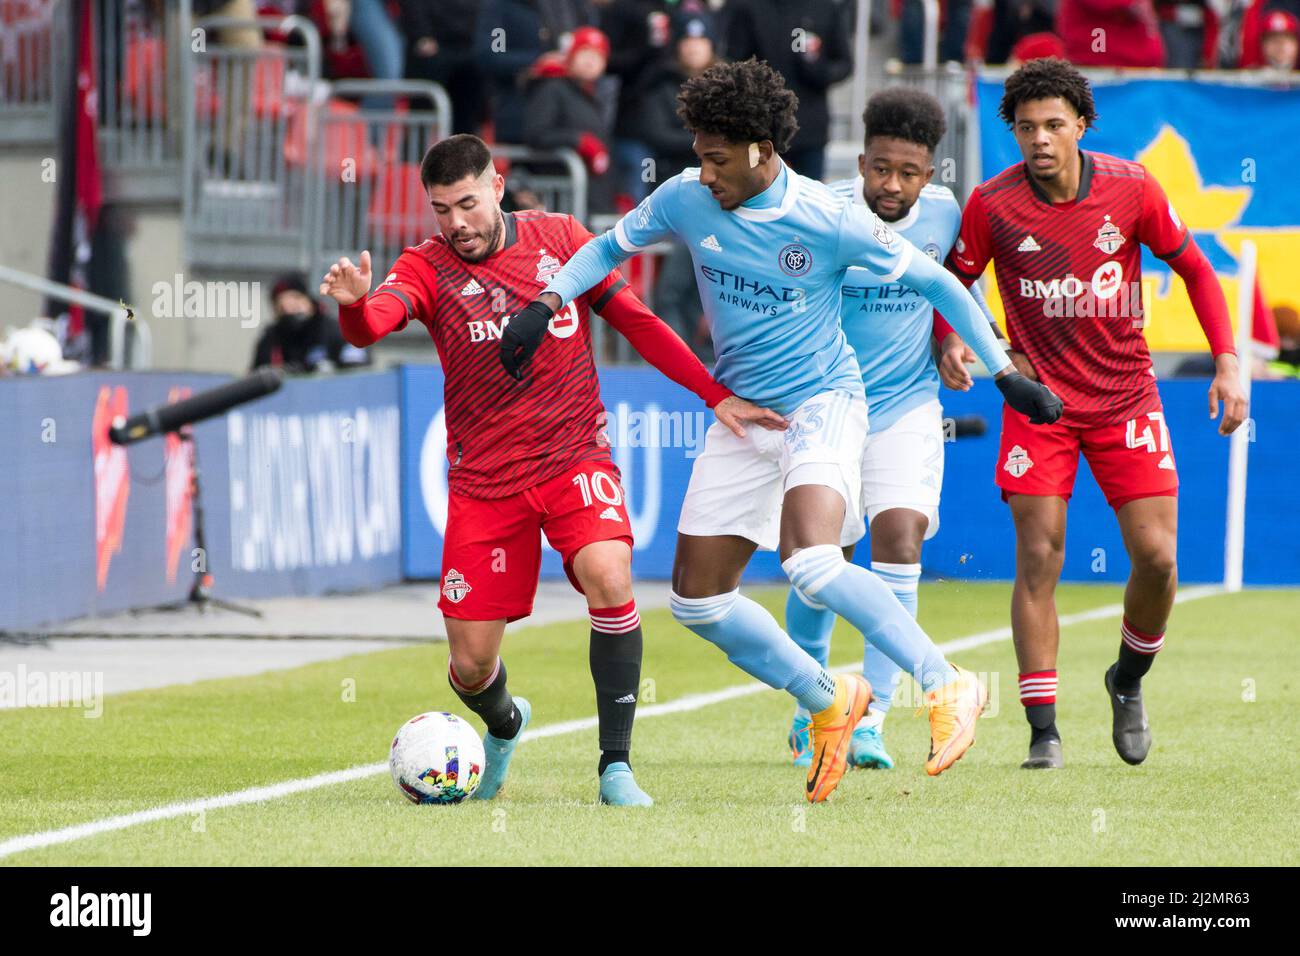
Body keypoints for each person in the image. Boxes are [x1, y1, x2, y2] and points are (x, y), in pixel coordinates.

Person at [503, 60, 1064, 802]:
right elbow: (608, 249)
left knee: (812, 562)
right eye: (699, 156)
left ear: (763, 149)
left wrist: (1001, 371)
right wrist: (544, 303)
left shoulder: (828, 218)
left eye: (717, 159)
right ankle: (829, 699)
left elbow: (934, 281)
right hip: (744, 416)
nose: (704, 174)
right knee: (698, 602)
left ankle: (947, 682)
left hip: (826, 404)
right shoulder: (685, 197)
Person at [319, 134, 782, 806]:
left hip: (573, 458)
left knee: (608, 574)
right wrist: (356, 304)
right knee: (472, 665)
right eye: (441, 209)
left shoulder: (562, 239)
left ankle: (615, 767)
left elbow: (637, 320)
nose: (456, 223)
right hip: (484, 484)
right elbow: (373, 326)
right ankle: (505, 724)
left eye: (468, 204)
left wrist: (714, 393)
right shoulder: (426, 267)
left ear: (498, 187)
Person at [945, 58, 1247, 769]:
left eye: (1054, 125)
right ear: (1013, 133)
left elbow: (1198, 270)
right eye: (1026, 128)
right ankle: (1043, 732)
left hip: (1126, 398)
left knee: (1158, 558)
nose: (1040, 139)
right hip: (1041, 403)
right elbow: (951, 284)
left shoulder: (1131, 188)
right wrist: (951, 341)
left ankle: (1128, 679)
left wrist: (1229, 361)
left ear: (1082, 125)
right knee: (1040, 556)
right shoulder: (991, 205)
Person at [783, 88, 1002, 772]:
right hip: (830, 406)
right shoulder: (826, 213)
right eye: (882, 169)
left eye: (909, 172)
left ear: (931, 173)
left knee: (899, 538)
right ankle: (813, 700)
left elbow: (953, 288)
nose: (894, 185)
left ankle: (870, 717)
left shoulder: (944, 215)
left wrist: (949, 340)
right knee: (823, 565)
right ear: (861, 162)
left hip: (909, 405)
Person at [723, 1, 853, 180]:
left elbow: (844, 64)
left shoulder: (824, 7)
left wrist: (819, 71)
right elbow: (734, 60)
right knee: (757, 195)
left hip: (809, 127)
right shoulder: (748, 6)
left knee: (809, 199)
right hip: (760, 128)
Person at [523, 26, 618, 214]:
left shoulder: (593, 96)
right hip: (560, 196)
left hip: (591, 197)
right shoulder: (551, 88)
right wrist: (578, 141)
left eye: (598, 56)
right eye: (585, 53)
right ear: (570, 56)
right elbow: (536, 133)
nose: (591, 61)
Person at [251, 275, 370, 373]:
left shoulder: (336, 330)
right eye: (282, 306)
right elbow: (257, 375)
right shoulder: (271, 338)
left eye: (296, 300)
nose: (289, 309)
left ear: (308, 300)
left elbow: (358, 370)